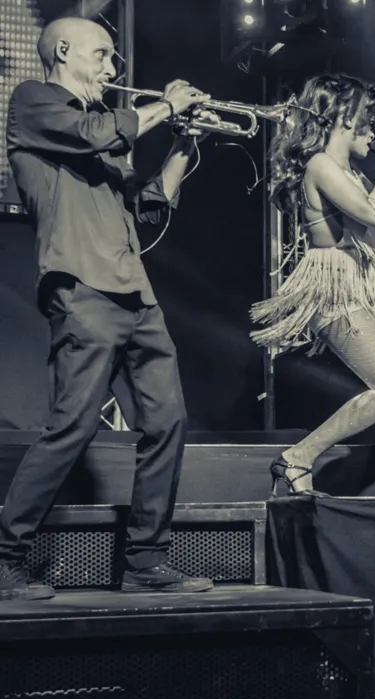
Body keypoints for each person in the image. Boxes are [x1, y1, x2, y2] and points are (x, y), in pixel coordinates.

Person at [0, 17, 216, 601]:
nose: (113, 68)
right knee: (72, 427)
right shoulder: (33, 102)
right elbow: (93, 133)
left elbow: (146, 205)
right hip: (82, 287)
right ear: (63, 50)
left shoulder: (104, 132)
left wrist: (183, 144)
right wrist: (165, 106)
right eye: (102, 55)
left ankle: (146, 560)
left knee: (168, 422)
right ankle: (4, 557)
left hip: (135, 293)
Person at [250, 74, 375, 497]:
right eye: (368, 120)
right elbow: (372, 214)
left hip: (363, 292)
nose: (374, 132)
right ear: (345, 117)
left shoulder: (349, 171)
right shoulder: (320, 165)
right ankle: (297, 458)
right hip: (335, 294)